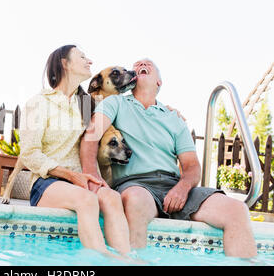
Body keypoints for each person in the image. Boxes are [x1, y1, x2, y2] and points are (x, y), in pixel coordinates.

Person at [80, 58, 257, 258]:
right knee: (135, 200)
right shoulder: (116, 103)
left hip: (174, 185)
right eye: (137, 65)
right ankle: (133, 262)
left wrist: (182, 188)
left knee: (237, 210)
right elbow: (92, 135)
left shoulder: (174, 119)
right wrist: (92, 178)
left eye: (148, 65)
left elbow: (191, 166)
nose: (141, 65)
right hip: (136, 185)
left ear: (159, 82)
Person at [19, 45, 131, 257]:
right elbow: (29, 153)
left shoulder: (87, 105)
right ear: (65, 64)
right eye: (82, 57)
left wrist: (167, 110)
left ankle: (126, 259)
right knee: (87, 200)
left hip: (81, 180)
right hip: (47, 182)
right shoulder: (39, 103)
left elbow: (116, 119)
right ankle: (105, 260)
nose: (89, 61)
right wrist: (71, 175)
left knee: (113, 198)